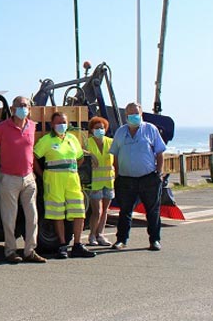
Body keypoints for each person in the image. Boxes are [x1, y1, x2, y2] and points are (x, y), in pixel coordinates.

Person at [0, 96, 46, 264]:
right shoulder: (2, 127)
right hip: (9, 177)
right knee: (9, 218)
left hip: (29, 178)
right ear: (13, 109)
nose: (23, 108)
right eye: (20, 105)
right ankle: (10, 251)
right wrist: (5, 165)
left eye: (26, 105)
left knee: (33, 216)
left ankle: (30, 250)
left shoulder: (32, 126)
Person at [33, 112, 95, 259]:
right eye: (59, 122)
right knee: (57, 212)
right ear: (52, 124)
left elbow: (79, 158)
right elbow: (33, 157)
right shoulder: (46, 140)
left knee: (79, 211)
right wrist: (41, 174)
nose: (62, 125)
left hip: (72, 179)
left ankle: (78, 244)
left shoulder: (72, 139)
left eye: (64, 122)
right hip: (53, 180)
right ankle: (62, 245)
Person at [109, 102, 167, 251]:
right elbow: (115, 155)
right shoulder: (120, 132)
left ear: (141, 114)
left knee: (152, 211)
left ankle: (154, 240)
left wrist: (158, 173)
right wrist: (117, 175)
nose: (133, 116)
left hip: (148, 178)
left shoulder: (150, 129)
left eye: (136, 113)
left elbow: (160, 153)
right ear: (126, 115)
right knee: (125, 211)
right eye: (130, 114)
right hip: (126, 179)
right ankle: (121, 240)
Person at [86, 116, 115, 246]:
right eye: (97, 128)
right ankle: (92, 234)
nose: (100, 130)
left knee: (105, 210)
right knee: (97, 211)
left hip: (109, 181)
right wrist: (90, 154)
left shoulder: (110, 142)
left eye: (102, 128)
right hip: (95, 182)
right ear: (92, 130)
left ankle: (100, 234)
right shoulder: (88, 142)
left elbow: (117, 159)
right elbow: (79, 150)